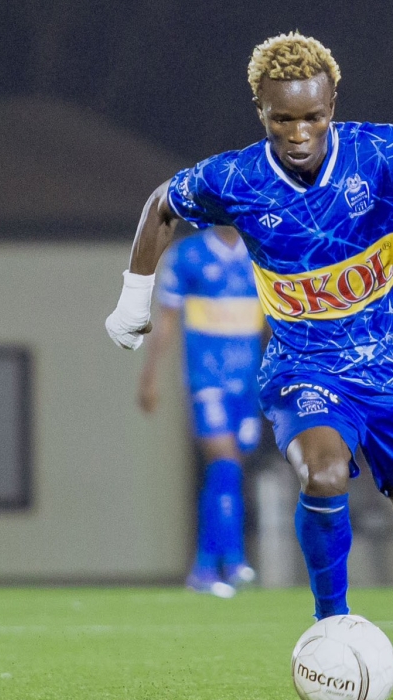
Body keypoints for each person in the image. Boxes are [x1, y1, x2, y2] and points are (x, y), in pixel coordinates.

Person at [105, 32, 393, 700]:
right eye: (282, 118)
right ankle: (330, 629)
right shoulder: (237, 178)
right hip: (302, 368)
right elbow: (163, 205)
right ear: (260, 110)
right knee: (322, 475)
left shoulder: (384, 151)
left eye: (312, 116)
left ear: (332, 103)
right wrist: (134, 300)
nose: (298, 132)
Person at [137, 224, 264, 598]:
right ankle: (235, 561)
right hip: (207, 379)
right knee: (224, 462)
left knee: (227, 471)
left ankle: (204, 567)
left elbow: (276, 318)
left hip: (250, 383)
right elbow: (167, 321)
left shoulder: (261, 251)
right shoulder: (188, 256)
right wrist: (150, 378)